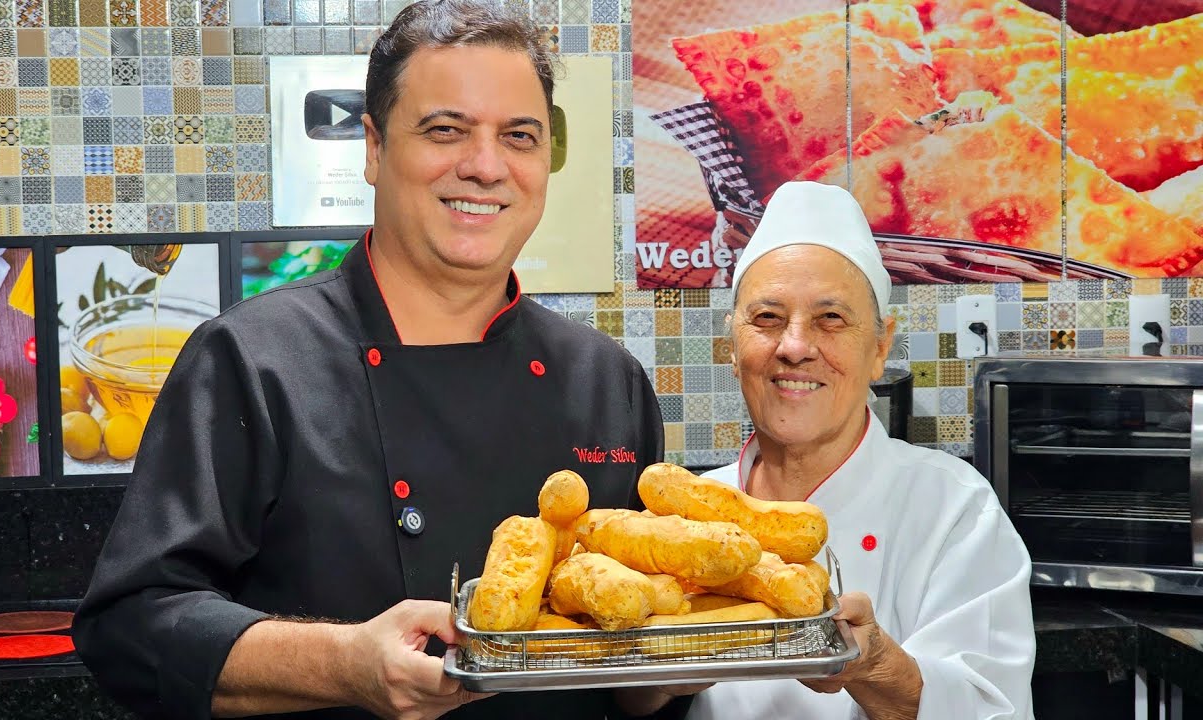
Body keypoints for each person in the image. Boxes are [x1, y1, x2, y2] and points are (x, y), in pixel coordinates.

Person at [72, 2, 663, 718]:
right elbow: (130, 627)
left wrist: (703, 652)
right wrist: (342, 664)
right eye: (446, 130)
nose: (484, 166)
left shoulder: (607, 380)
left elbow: (634, 679)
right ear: (375, 148)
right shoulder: (253, 362)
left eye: (519, 136)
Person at [616, 182, 1035, 720]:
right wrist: (660, 680)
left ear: (880, 347)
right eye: (767, 318)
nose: (794, 346)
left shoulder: (952, 509)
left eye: (830, 319)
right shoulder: (683, 520)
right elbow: (630, 700)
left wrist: (876, 665)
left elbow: (992, 707)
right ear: (731, 345)